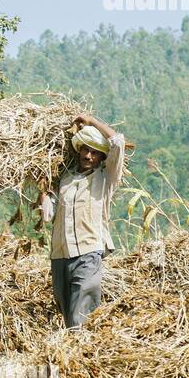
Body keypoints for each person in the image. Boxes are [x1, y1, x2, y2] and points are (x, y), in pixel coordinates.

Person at [36, 113, 125, 329]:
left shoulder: (105, 179)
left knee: (81, 313)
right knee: (66, 310)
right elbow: (47, 216)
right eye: (85, 149)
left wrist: (91, 121)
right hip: (59, 254)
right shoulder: (65, 180)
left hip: (88, 251)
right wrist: (44, 196)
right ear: (79, 151)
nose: (88, 156)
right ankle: (71, 357)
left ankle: (82, 355)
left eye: (95, 153)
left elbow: (118, 141)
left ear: (101, 158)